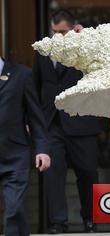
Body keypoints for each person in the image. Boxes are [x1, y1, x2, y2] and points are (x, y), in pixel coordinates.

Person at [32, 9, 102, 233]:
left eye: (63, 32)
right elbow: (34, 86)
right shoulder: (44, 51)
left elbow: (101, 66)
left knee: (88, 173)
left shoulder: (85, 47)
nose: (58, 37)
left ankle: (90, 219)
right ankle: (57, 223)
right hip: (51, 123)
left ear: (74, 28)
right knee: (53, 176)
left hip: (82, 121)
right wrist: (32, 119)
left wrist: (86, 38)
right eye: (54, 32)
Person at [0, 57, 51, 236]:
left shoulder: (22, 74)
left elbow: (35, 116)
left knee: (13, 209)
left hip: (15, 155)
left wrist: (43, 149)